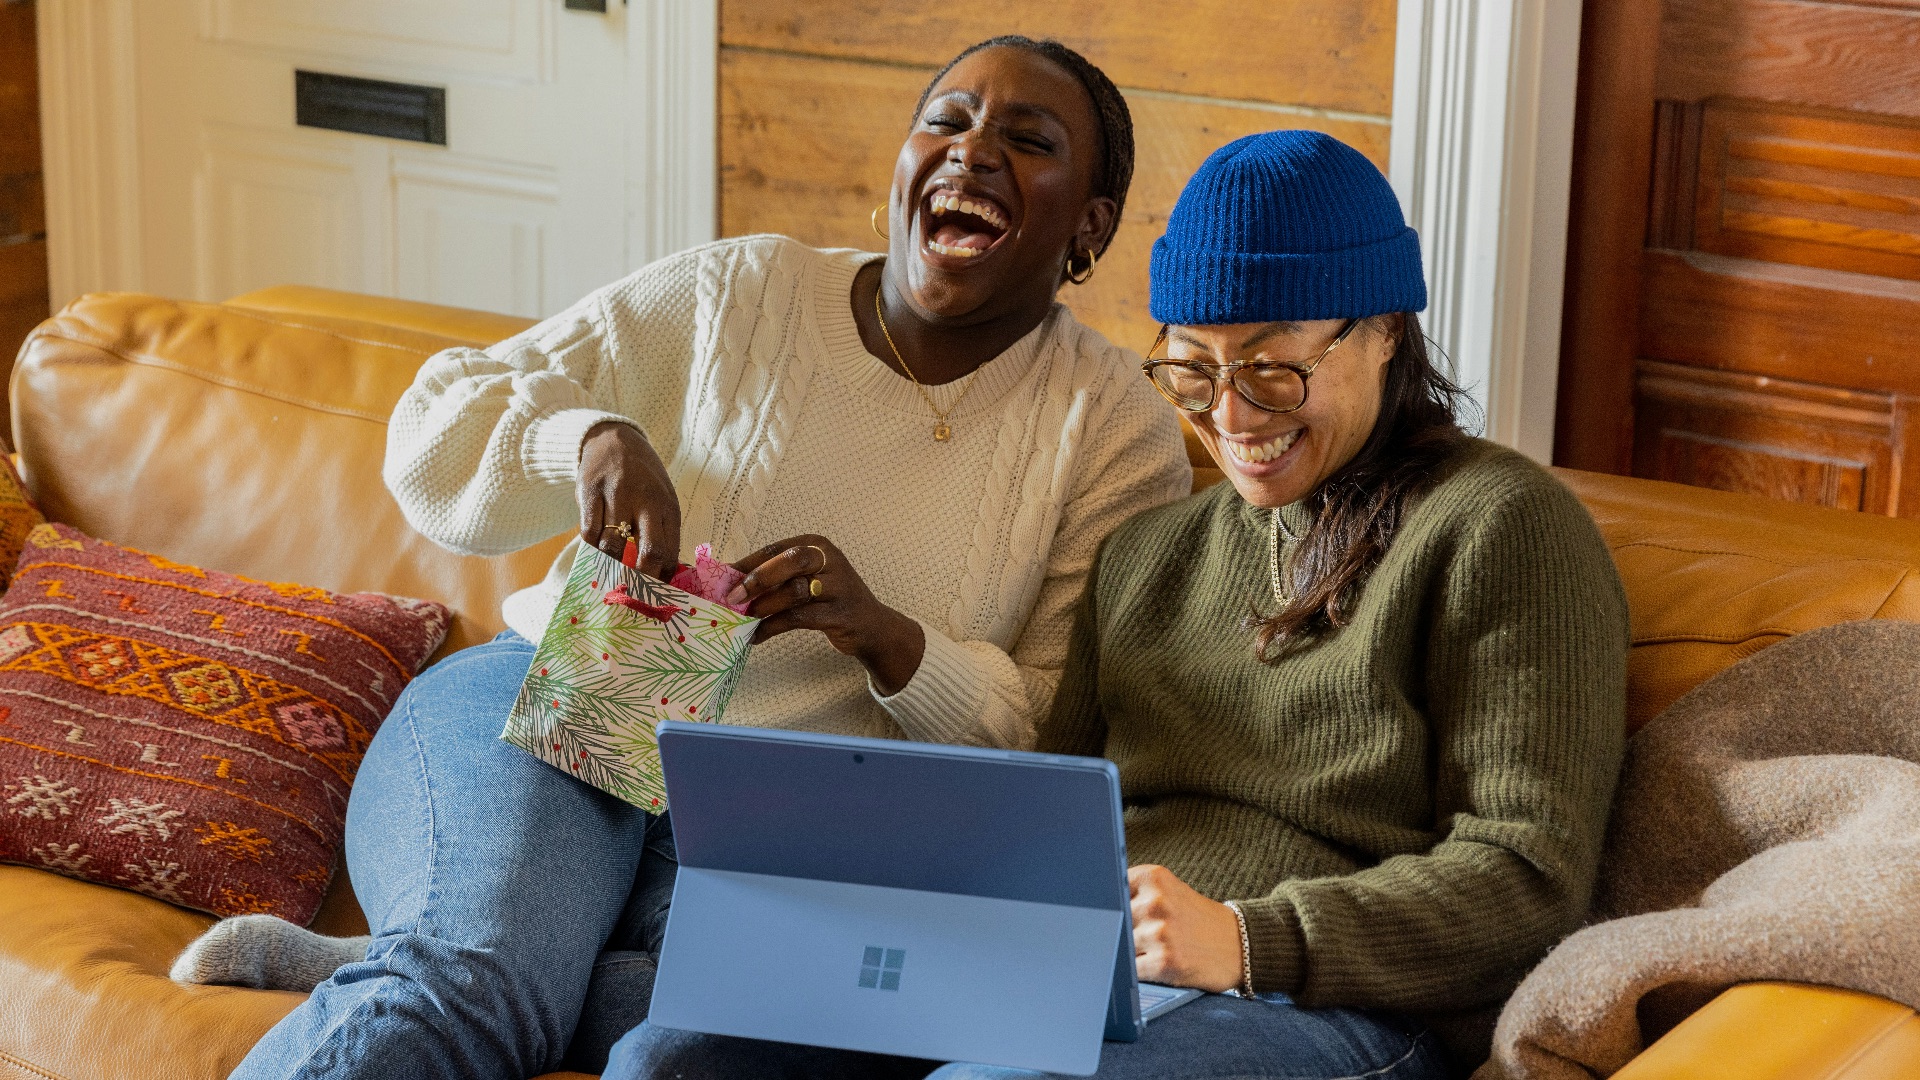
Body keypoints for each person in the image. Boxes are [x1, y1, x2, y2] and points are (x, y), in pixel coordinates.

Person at [185, 36, 1191, 1080]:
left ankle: (424, 959)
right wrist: (586, 439)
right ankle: (449, 964)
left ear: (1091, 222)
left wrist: (891, 643)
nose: (973, 153)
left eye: (1027, 142)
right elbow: (433, 425)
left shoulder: (1114, 428)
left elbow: (1054, 736)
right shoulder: (742, 294)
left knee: (715, 1032)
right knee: (470, 991)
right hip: (572, 696)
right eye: (945, 122)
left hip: (792, 826)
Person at [610, 131, 1630, 1080]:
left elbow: (1527, 877)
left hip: (1326, 1000)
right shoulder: (1146, 556)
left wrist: (1248, 938)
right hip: (1079, 967)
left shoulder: (1502, 526)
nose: (1230, 419)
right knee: (672, 1055)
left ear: (1383, 333)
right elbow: (1044, 818)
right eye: (1194, 369)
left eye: (1272, 367)